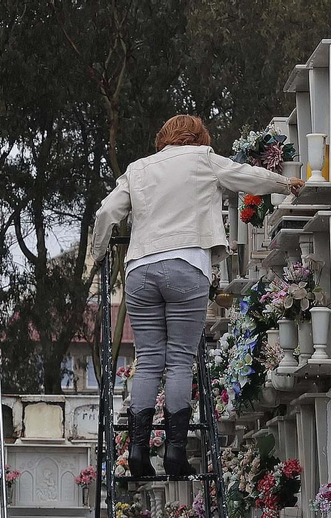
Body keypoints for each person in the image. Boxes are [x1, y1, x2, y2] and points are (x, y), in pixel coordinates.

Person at [86, 114, 303, 479]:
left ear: (163, 139)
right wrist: (286, 182)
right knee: (180, 361)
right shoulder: (203, 158)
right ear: (198, 137)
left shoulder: (137, 169)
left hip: (140, 268)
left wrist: (99, 250)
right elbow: (246, 176)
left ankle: (137, 453)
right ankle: (174, 453)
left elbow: (108, 211)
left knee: (149, 358)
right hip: (186, 263)